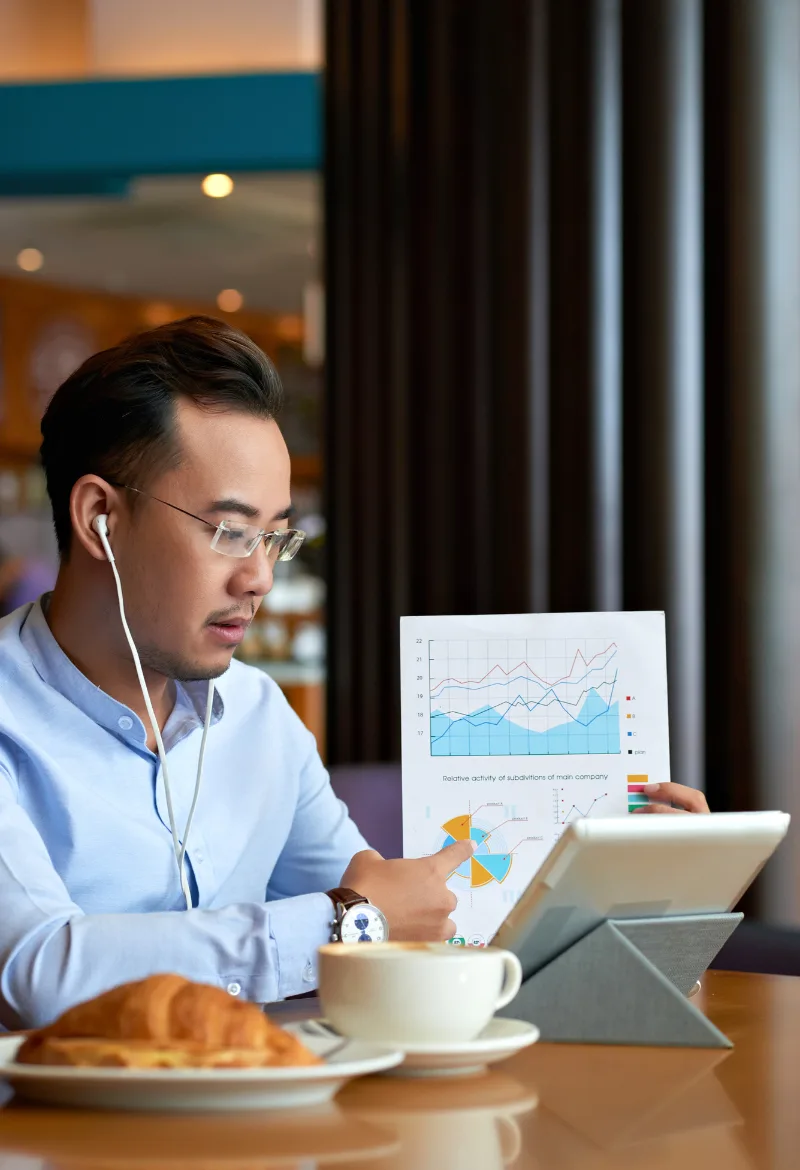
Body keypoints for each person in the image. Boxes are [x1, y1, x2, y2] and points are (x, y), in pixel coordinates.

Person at [0, 317, 707, 1030]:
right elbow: (36, 971)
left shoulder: (257, 714)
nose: (260, 578)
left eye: (274, 537)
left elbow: (402, 928)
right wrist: (347, 921)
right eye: (231, 533)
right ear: (100, 517)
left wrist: (629, 899)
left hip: (268, 1096)